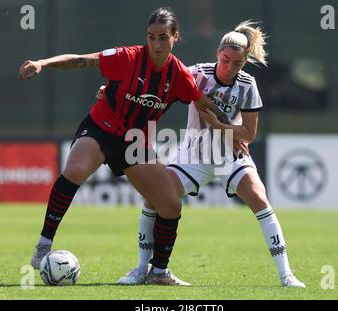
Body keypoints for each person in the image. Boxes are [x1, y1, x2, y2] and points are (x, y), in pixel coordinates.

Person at [19, 7, 225, 286]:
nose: (155, 44)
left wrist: (236, 133)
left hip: (135, 141)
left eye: (163, 38)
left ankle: (159, 272)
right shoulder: (127, 57)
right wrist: (43, 63)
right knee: (75, 170)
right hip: (101, 128)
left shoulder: (179, 76)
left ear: (176, 37)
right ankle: (44, 245)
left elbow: (205, 106)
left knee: (171, 205)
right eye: (151, 37)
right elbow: (82, 60)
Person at [117, 21, 306, 288]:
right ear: (218, 53)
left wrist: (220, 127)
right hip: (193, 155)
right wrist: (118, 95)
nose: (230, 68)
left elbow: (249, 134)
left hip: (230, 156)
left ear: (244, 63)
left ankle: (286, 275)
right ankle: (141, 269)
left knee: (260, 200)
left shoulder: (248, 85)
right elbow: (156, 88)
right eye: (226, 60)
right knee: (153, 200)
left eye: (237, 64)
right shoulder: (196, 73)